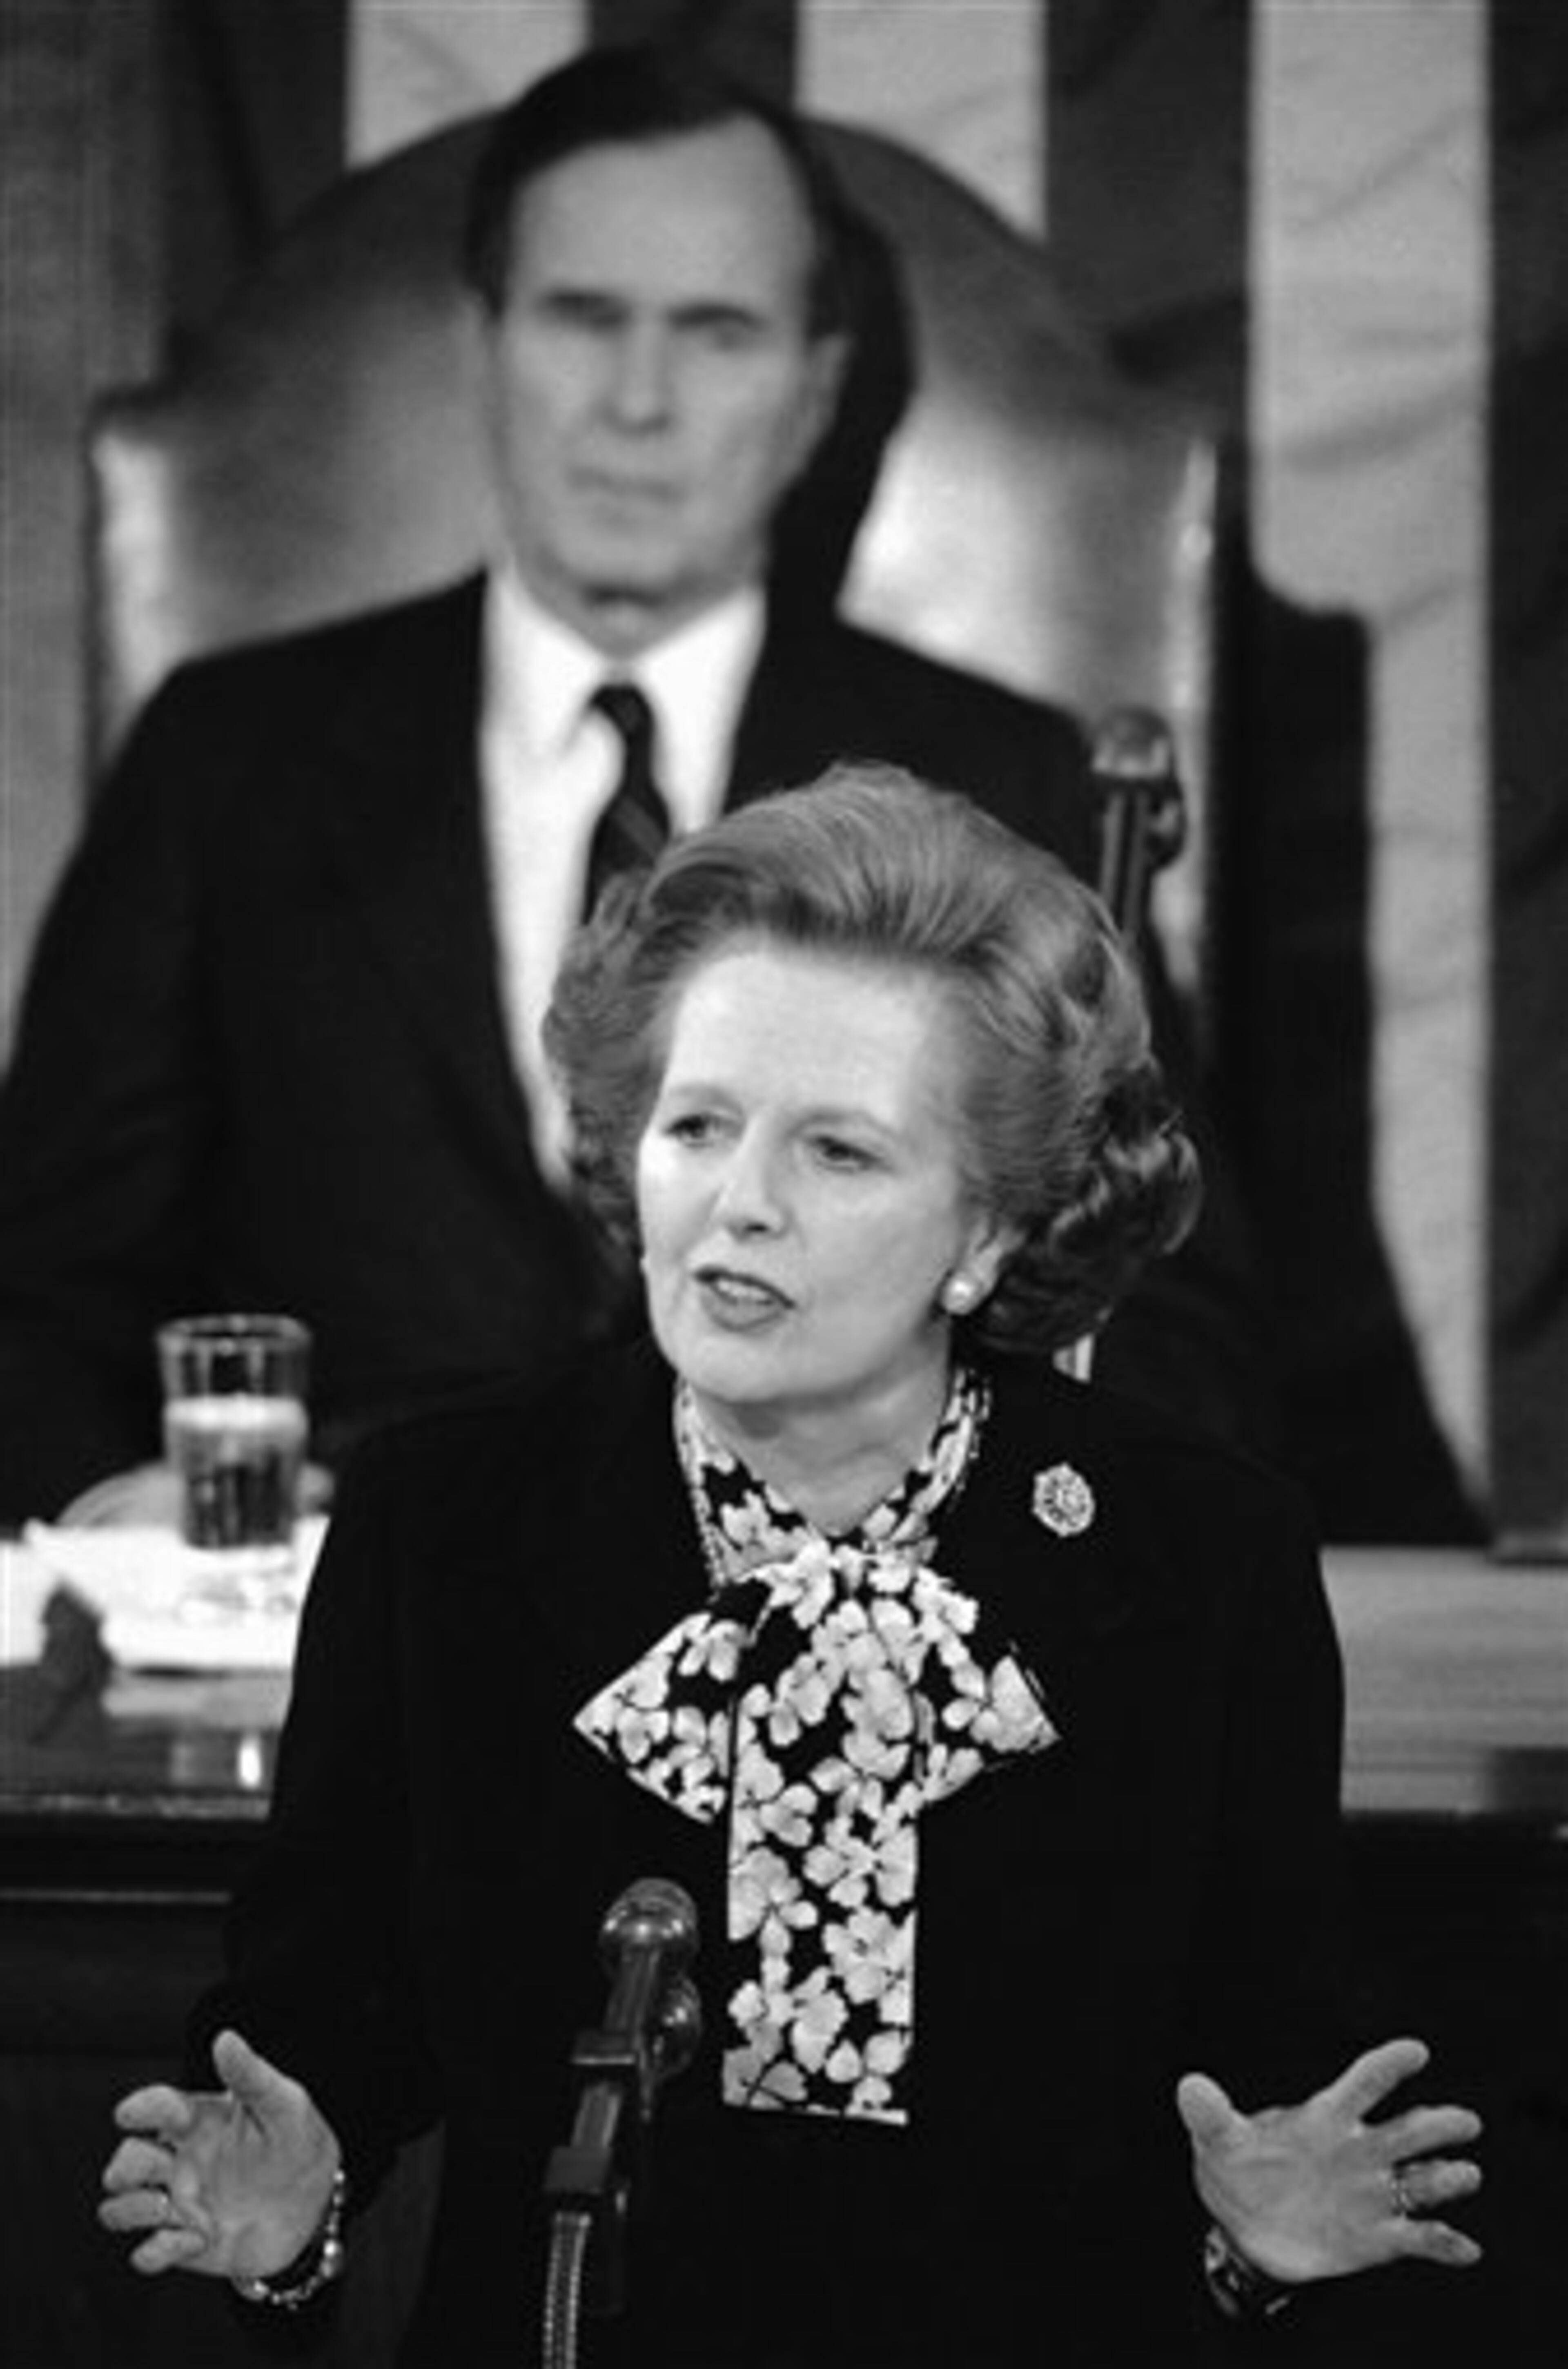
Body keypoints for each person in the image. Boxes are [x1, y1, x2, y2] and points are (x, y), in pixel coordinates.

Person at [98, 772, 1483, 2367]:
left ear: (987, 1232)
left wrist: (1265, 2254)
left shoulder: (1203, 1555)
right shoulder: (443, 1518)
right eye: (699, 1127)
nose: (739, 1205)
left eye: (839, 1152)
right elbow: (329, 2029)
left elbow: (1276, 2095)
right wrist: (290, 2211)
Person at [0, 41, 1266, 1527]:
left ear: (814, 390)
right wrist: (117, 1516)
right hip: (328, 1633)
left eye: (717, 331)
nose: (639, 400)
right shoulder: (229, 756)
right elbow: (46, 1288)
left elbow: (1169, 1319)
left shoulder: (1003, 780)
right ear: (482, 344)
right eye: (584, 318)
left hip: (827, 1648)